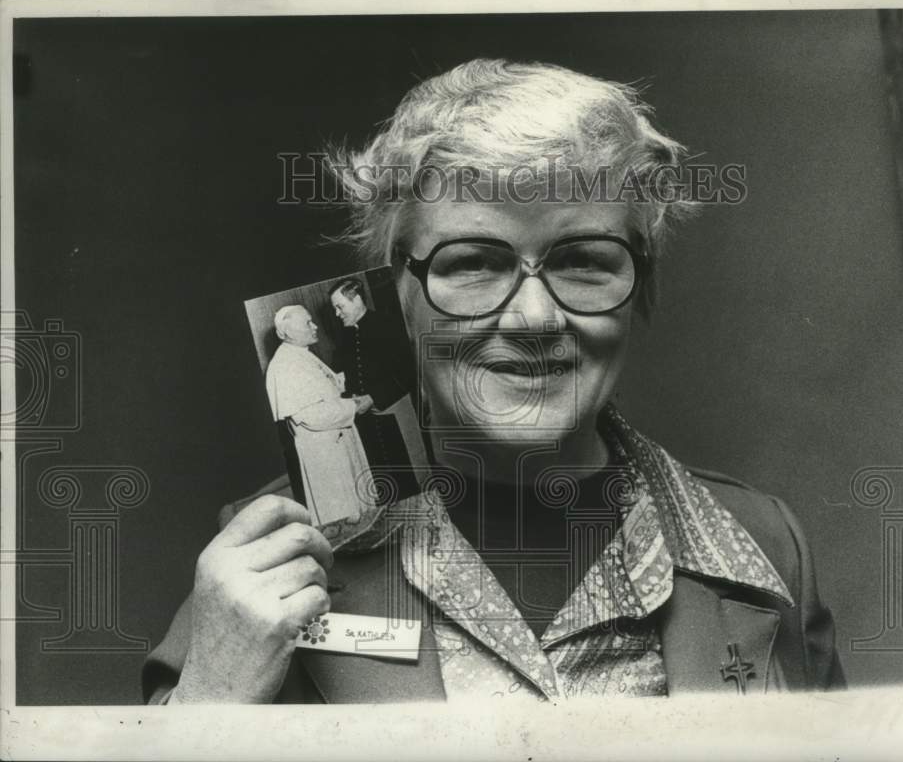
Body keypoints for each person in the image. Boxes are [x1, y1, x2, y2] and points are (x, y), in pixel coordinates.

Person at [143, 59, 845, 704]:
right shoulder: (267, 565)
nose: (534, 317)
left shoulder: (765, 545)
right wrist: (209, 702)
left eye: (584, 260)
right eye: (474, 261)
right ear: (395, 293)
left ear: (644, 289)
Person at [264, 305, 372, 527]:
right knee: (345, 518)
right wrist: (354, 406)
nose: (315, 326)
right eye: (307, 323)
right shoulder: (284, 365)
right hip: (325, 454)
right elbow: (311, 415)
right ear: (285, 333)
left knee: (362, 509)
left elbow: (326, 385)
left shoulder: (301, 353)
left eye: (312, 321)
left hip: (338, 442)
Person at [328, 278, 426, 504]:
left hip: (396, 413)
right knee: (383, 483)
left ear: (357, 300)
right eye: (335, 308)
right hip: (366, 421)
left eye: (339, 306)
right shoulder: (345, 336)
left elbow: (410, 372)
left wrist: (373, 397)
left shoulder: (389, 324)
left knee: (410, 476)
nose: (336, 313)